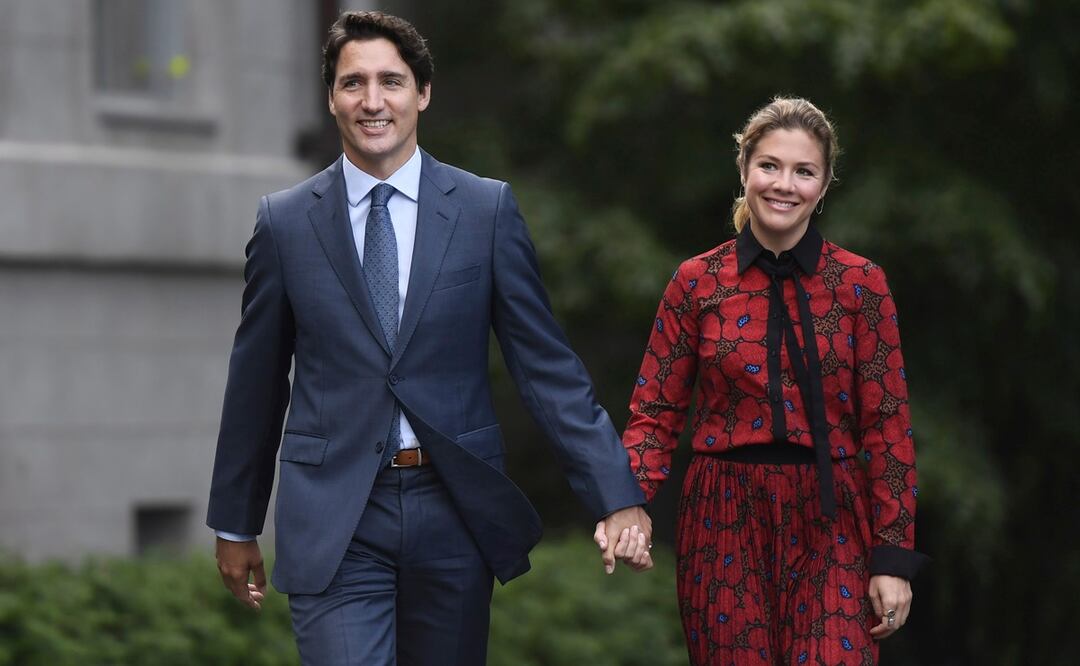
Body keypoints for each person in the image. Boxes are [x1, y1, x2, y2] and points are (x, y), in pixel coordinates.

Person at [206, 11, 650, 665]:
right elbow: (257, 383)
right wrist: (236, 519)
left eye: (392, 80)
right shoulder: (285, 223)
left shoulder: (485, 211)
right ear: (332, 98)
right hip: (336, 518)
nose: (373, 101)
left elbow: (546, 369)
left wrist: (616, 496)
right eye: (353, 83)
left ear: (423, 92)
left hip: (453, 510)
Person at [618, 97, 929, 664]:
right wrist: (625, 502)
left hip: (832, 517)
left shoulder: (861, 285)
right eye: (769, 166)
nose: (784, 184)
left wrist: (893, 558)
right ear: (744, 171)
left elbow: (888, 429)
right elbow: (654, 414)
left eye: (803, 171)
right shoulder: (696, 282)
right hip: (723, 516)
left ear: (824, 184)